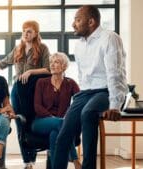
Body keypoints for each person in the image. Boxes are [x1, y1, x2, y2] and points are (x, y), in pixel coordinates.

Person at [53, 5, 128, 169]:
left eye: (78, 20)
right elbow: (83, 77)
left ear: (91, 22)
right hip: (86, 93)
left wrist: (115, 105)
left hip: (106, 90)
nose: (73, 24)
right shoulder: (79, 45)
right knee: (64, 134)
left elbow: (114, 74)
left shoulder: (109, 38)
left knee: (88, 113)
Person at [0, 20, 50, 169]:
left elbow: (48, 69)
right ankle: (28, 162)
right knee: (21, 122)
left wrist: (30, 71)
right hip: (18, 92)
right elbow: (2, 63)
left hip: (35, 91)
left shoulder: (42, 48)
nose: (26, 34)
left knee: (33, 122)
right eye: (24, 31)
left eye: (29, 31)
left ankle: (43, 153)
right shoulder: (18, 49)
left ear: (35, 34)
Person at [31, 52, 81, 169]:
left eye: (56, 62)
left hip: (59, 124)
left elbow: (80, 102)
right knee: (61, 123)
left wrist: (70, 115)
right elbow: (37, 106)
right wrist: (52, 118)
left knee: (55, 135)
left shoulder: (70, 83)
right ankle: (75, 160)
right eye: (51, 62)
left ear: (64, 66)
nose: (52, 65)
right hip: (40, 122)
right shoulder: (41, 82)